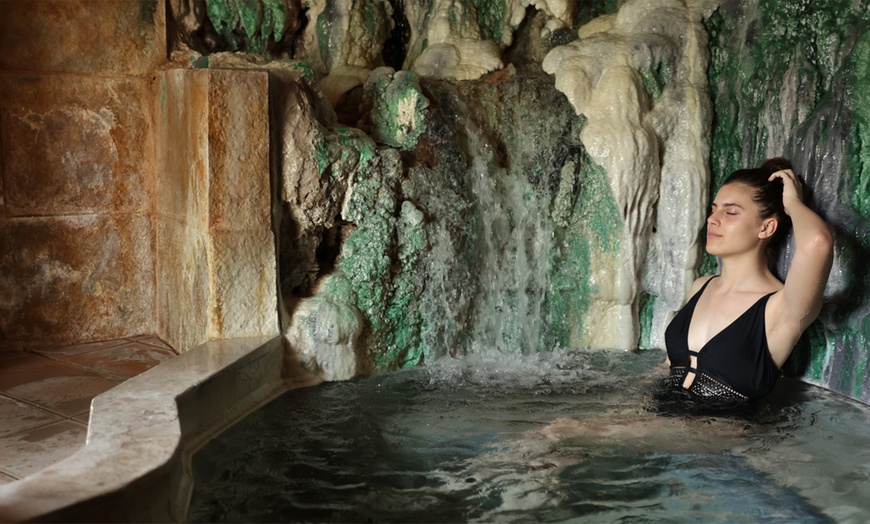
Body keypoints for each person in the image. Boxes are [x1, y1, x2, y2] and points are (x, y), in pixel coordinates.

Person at [665, 158, 834, 401]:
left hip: (722, 437)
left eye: (731, 211)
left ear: (766, 228)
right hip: (663, 422)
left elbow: (818, 241)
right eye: (714, 209)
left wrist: (792, 202)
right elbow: (668, 368)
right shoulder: (701, 286)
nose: (713, 219)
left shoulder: (782, 308)